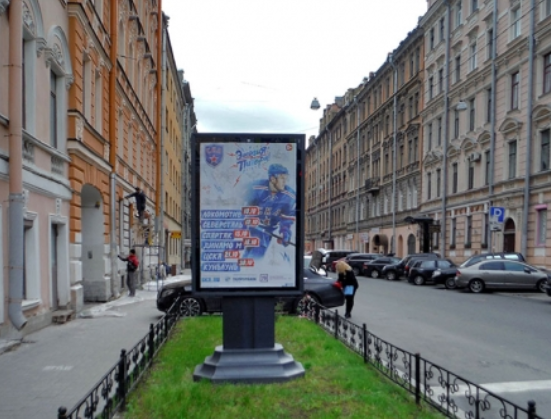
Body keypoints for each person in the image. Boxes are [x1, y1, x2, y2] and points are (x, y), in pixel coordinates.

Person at [242, 164, 296, 259]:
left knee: (255, 255)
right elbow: (241, 205)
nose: (285, 181)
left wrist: (285, 232)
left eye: (286, 178)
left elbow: (287, 218)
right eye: (282, 178)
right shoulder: (255, 188)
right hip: (250, 228)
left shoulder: (289, 196)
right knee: (248, 255)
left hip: (268, 231)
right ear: (272, 179)